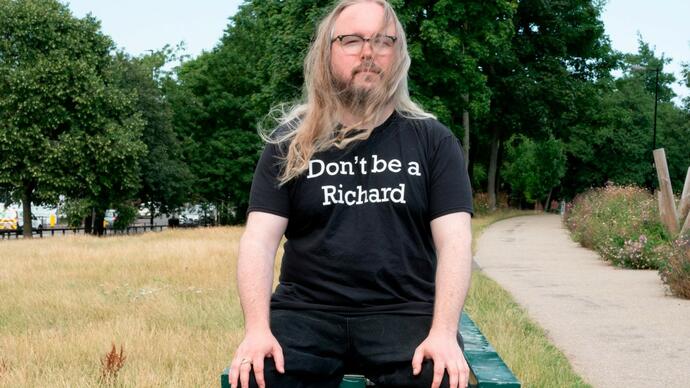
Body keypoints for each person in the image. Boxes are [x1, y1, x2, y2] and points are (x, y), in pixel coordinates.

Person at [230, 0, 473, 387]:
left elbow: (456, 243)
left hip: (404, 312)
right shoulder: (290, 142)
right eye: (351, 40)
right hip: (305, 313)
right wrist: (257, 329)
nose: (367, 52)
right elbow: (258, 241)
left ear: (398, 55)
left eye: (382, 41)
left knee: (437, 377)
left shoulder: (434, 141)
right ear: (326, 53)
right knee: (260, 377)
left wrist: (443, 332)